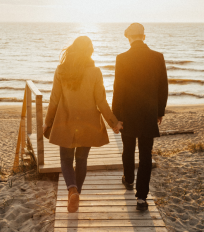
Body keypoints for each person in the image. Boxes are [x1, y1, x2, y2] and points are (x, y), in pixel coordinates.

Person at [43, 36, 123, 213]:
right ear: (90, 52)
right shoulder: (95, 72)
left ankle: (72, 190)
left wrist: (47, 122)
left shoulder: (61, 70)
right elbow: (101, 102)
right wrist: (114, 123)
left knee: (65, 159)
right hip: (88, 123)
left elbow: (54, 100)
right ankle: (76, 192)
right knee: (81, 159)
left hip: (65, 121)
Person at [112, 23, 169, 211]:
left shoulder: (122, 58)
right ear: (143, 37)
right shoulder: (157, 57)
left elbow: (117, 90)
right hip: (148, 113)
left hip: (127, 113)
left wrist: (115, 117)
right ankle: (142, 198)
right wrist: (159, 111)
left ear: (129, 38)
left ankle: (128, 179)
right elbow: (163, 87)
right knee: (145, 155)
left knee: (128, 149)